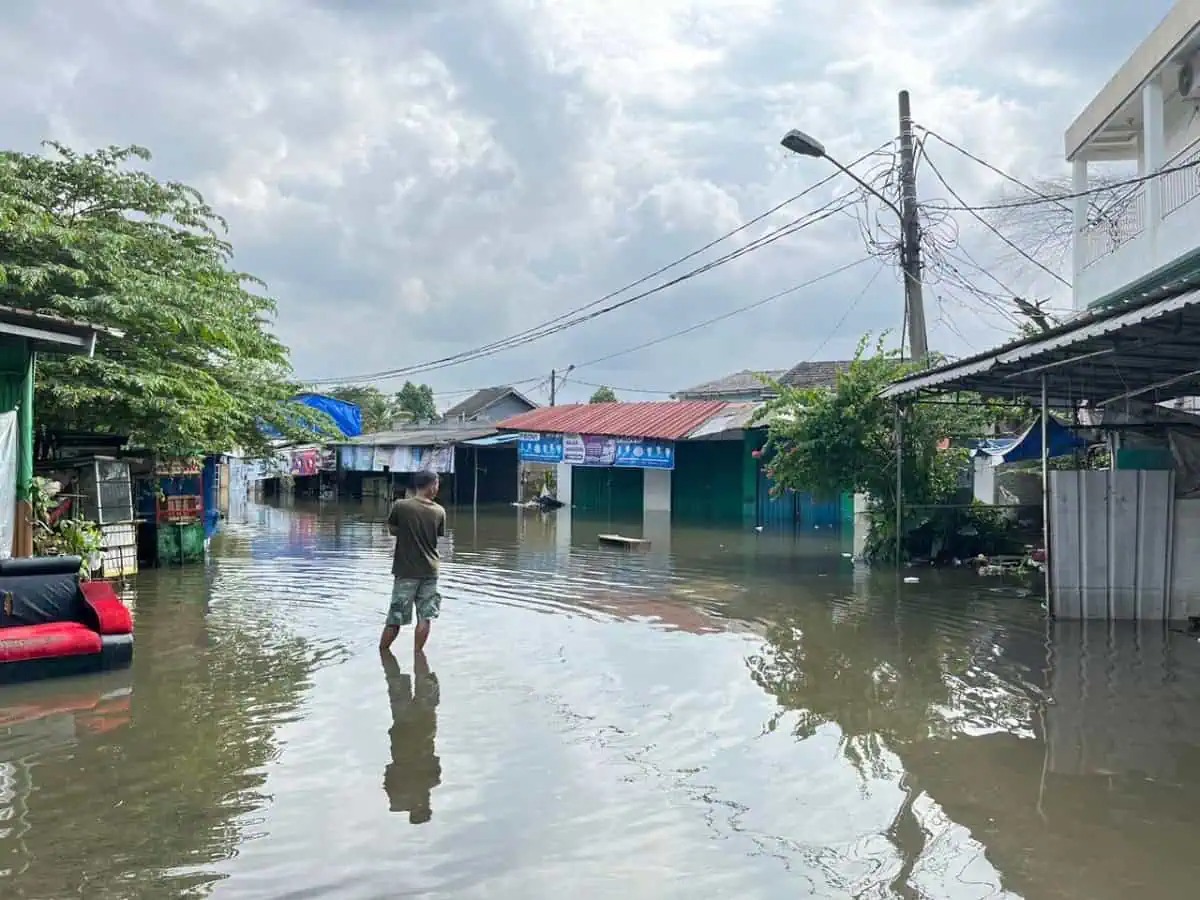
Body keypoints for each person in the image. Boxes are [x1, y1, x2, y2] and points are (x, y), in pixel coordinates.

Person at [381, 470, 445, 652]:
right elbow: (436, 536)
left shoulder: (401, 506)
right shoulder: (439, 511)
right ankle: (418, 655)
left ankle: (383, 653)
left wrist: (407, 533)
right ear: (432, 486)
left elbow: (392, 529)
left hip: (406, 570)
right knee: (425, 617)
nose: (437, 488)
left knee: (395, 618)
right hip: (431, 571)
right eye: (437, 484)